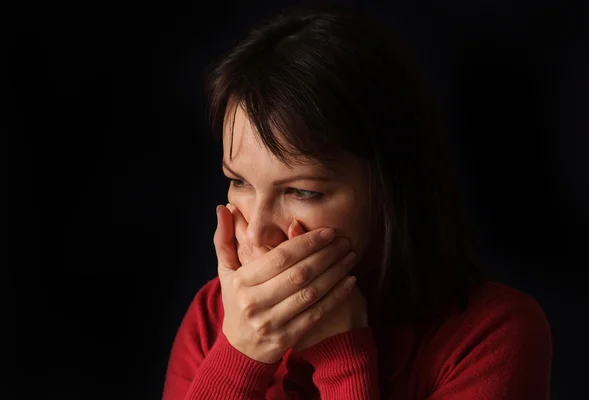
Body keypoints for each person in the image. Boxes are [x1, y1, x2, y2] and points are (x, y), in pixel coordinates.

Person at [162, 3, 552, 399]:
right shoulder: (215, 316)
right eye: (238, 182)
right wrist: (239, 354)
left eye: (303, 191)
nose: (259, 232)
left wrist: (342, 361)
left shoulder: (491, 335)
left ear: (387, 190)